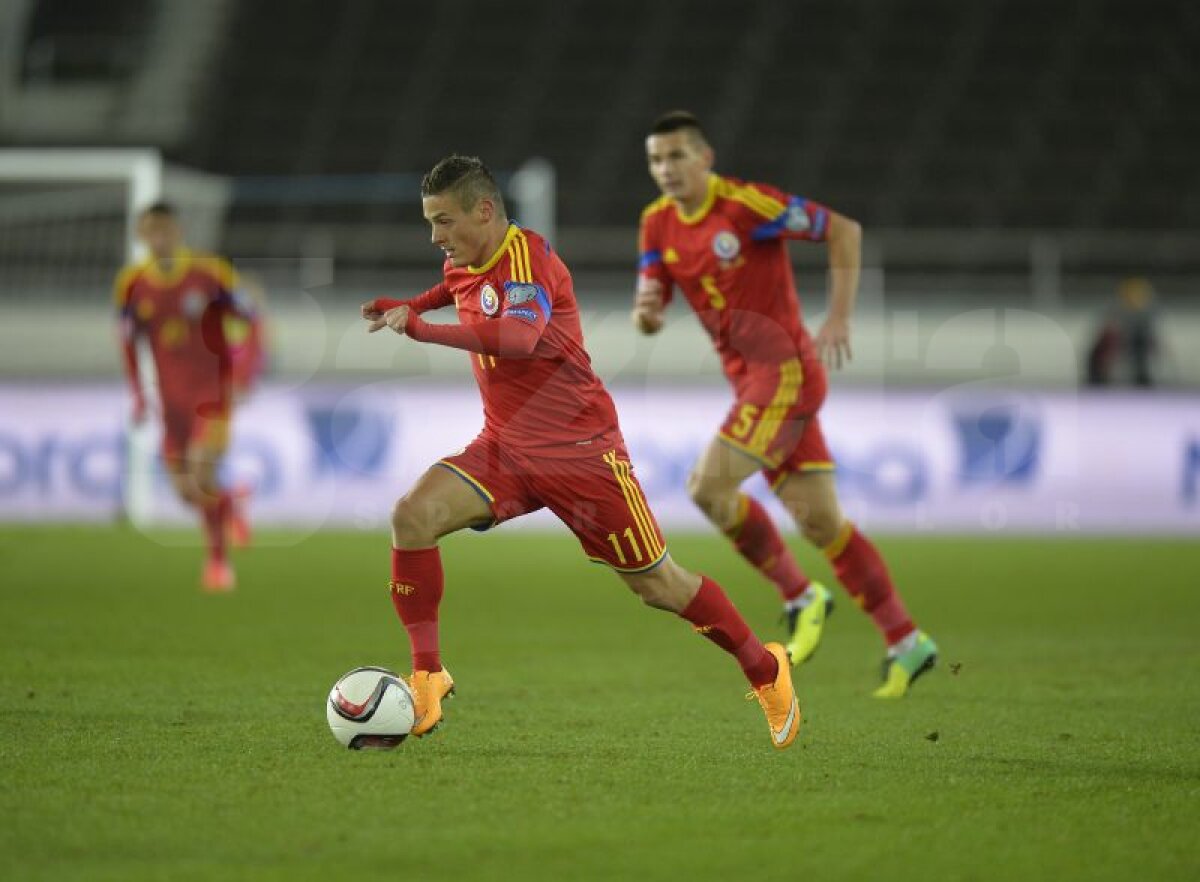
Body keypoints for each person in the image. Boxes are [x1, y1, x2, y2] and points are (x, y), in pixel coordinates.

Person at [361, 154, 800, 749]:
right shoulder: (467, 259)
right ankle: (427, 673)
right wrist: (412, 304)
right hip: (506, 450)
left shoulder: (530, 261)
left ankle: (765, 668)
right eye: (430, 222)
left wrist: (421, 329)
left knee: (660, 588)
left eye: (443, 221)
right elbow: (457, 287)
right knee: (411, 517)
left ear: (484, 211)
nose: (436, 236)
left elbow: (518, 338)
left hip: (582, 455)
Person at [632, 111, 937, 697]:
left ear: (704, 157)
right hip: (748, 383)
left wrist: (839, 317)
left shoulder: (747, 206)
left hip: (785, 375)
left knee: (707, 487)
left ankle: (801, 595)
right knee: (823, 522)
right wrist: (645, 317)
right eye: (655, 160)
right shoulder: (655, 225)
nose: (665, 169)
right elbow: (650, 307)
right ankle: (906, 639)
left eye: (675, 156)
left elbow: (843, 229)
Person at [114, 202, 253, 592]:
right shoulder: (131, 284)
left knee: (200, 473)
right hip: (170, 402)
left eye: (164, 229)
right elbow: (128, 342)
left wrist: (242, 372)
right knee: (185, 492)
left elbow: (251, 320)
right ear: (141, 235)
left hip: (212, 397)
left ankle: (218, 563)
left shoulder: (209, 273)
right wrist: (138, 395)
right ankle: (230, 505)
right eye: (150, 231)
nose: (158, 238)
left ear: (178, 230)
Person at [1085, 276, 1160, 387]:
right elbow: (1108, 329)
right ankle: (1097, 378)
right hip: (1117, 341)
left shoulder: (1146, 313)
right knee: (1099, 349)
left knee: (1140, 346)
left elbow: (1150, 335)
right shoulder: (1115, 308)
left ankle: (1142, 378)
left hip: (1133, 343)